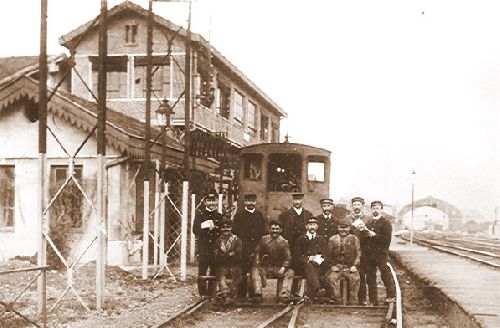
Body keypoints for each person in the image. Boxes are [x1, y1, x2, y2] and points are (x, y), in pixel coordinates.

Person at [357, 200, 396, 305]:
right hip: (369, 255)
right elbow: (364, 240)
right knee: (370, 278)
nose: (375, 210)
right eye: (373, 208)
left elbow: (387, 240)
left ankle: (391, 296)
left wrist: (374, 236)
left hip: (381, 254)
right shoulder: (368, 223)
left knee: (385, 275)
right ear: (371, 210)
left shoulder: (386, 223)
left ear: (381, 210)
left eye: (377, 208)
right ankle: (374, 300)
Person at [251, 220, 294, 303]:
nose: (274, 231)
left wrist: (283, 267)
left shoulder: (284, 242)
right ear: (269, 229)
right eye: (273, 229)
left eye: (277, 229)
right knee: (255, 270)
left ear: (281, 230)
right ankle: (258, 294)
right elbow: (257, 252)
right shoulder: (263, 239)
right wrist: (257, 263)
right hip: (265, 266)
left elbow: (288, 258)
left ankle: (284, 295)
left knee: (290, 272)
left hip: (278, 267)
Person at [232, 193, 266, 299]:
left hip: (256, 247)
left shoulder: (259, 215)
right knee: (243, 271)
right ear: (245, 202)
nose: (250, 203)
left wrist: (258, 247)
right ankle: (241, 295)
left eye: (252, 201)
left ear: (255, 202)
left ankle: (254, 294)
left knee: (254, 270)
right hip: (243, 248)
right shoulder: (239, 216)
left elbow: (262, 232)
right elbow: (235, 232)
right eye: (248, 201)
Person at [192, 189, 223, 296]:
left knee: (214, 269)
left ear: (216, 201)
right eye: (208, 201)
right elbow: (195, 230)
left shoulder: (218, 215)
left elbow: (222, 231)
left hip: (214, 247)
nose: (211, 203)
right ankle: (202, 293)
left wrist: (216, 228)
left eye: (213, 200)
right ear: (204, 202)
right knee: (202, 269)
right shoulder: (200, 214)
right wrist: (205, 227)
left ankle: (211, 292)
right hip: (204, 246)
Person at [325, 218, 360, 305]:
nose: (343, 230)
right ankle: (337, 300)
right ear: (338, 228)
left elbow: (358, 254)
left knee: (356, 278)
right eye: (341, 227)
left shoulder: (354, 239)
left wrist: (355, 265)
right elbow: (328, 255)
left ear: (349, 228)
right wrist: (332, 265)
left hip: (350, 266)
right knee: (331, 278)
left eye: (346, 228)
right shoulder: (333, 239)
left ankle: (353, 301)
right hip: (337, 266)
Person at [293, 218, 329, 300]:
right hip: (303, 267)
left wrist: (317, 260)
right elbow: (296, 257)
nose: (312, 227)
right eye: (310, 225)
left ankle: (310, 293)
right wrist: (308, 258)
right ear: (306, 226)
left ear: (317, 227)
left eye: (314, 224)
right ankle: (318, 289)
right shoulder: (301, 239)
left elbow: (325, 256)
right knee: (308, 266)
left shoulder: (321, 240)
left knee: (315, 268)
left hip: (318, 266)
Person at [213, 219, 243, 305]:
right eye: (223, 227)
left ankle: (231, 295)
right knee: (221, 274)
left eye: (228, 227)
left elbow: (238, 255)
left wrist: (224, 255)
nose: (226, 229)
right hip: (223, 265)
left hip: (235, 264)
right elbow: (216, 256)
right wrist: (229, 255)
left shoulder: (237, 240)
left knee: (236, 274)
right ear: (221, 229)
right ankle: (226, 295)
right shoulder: (218, 241)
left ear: (231, 228)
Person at [348, 196, 370, 305]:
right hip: (351, 251)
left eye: (359, 205)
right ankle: (348, 298)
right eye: (355, 205)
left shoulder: (367, 219)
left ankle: (362, 299)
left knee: (361, 275)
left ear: (362, 206)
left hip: (364, 251)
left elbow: (371, 235)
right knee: (349, 274)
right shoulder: (348, 218)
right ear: (352, 206)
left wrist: (365, 229)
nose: (356, 207)